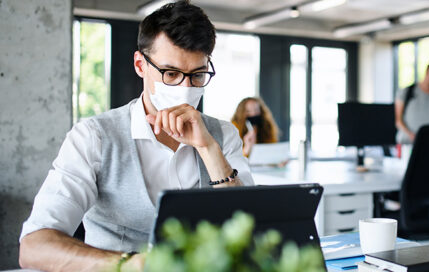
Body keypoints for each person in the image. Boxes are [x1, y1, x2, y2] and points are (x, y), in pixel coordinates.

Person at [18, 1, 253, 271]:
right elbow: (34, 246)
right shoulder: (94, 137)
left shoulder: (222, 134)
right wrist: (128, 264)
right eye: (171, 74)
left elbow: (250, 228)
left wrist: (208, 148)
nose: (185, 88)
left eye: (198, 75)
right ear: (140, 65)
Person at [395, 62, 429, 144]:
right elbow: (398, 121)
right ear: (427, 72)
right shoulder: (407, 92)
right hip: (407, 142)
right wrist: (411, 135)